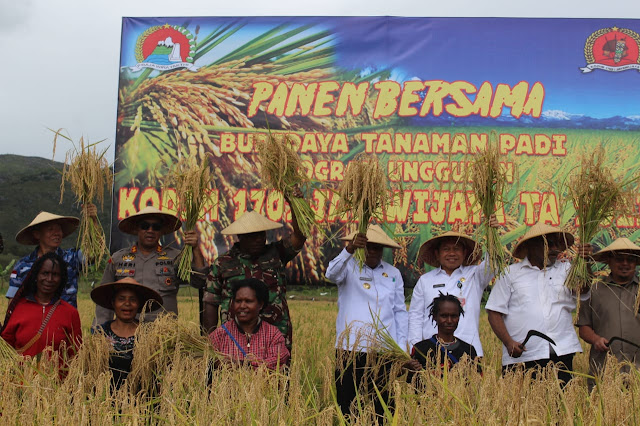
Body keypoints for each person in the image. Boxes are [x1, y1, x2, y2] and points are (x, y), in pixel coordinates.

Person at [486, 222, 591, 386]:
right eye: (548, 243)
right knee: (521, 407)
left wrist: (586, 263)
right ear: (530, 246)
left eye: (557, 244)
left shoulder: (567, 270)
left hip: (561, 352)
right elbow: (494, 312)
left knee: (562, 407)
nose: (555, 248)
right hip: (523, 354)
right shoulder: (511, 274)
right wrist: (508, 342)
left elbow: (583, 291)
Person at [202, 188, 306, 351]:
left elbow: (300, 237)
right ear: (240, 237)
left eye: (261, 234)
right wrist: (209, 343)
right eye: (252, 235)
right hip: (234, 341)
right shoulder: (222, 264)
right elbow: (210, 302)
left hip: (276, 338)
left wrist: (295, 205)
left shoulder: (277, 253)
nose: (259, 239)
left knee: (276, 375)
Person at [326, 224, 407, 420]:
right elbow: (330, 274)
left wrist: (401, 348)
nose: (372, 251)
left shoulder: (393, 274)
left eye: (377, 247)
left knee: (383, 407)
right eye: (367, 246)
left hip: (384, 351)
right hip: (350, 349)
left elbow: (399, 311)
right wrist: (350, 250)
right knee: (348, 406)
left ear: (383, 250)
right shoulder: (348, 267)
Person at [93, 206, 205, 325]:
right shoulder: (118, 259)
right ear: (137, 229)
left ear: (161, 231)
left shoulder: (175, 257)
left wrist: (196, 249)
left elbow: (200, 281)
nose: (150, 230)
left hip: (164, 332)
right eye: (145, 226)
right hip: (129, 333)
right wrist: (100, 330)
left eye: (156, 227)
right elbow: (104, 299)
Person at [408, 216, 499, 358]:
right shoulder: (425, 280)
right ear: (437, 254)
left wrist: (493, 233)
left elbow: (493, 261)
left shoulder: (475, 275)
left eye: (456, 249)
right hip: (432, 352)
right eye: (446, 249)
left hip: (468, 351)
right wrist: (417, 349)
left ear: (464, 253)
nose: (451, 253)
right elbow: (415, 317)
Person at [1, 252, 82, 377]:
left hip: (56, 388)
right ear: (36, 275)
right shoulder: (18, 308)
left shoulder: (70, 313)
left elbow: (75, 354)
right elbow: (6, 347)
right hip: (20, 385)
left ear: (62, 279)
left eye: (55, 275)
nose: (49, 279)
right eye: (45, 273)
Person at [577, 238, 640, 387]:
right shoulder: (594, 291)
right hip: (604, 370)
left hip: (637, 370)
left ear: (636, 263)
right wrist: (596, 339)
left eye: (630, 260)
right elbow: (584, 329)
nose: (625, 264)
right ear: (609, 261)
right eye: (619, 259)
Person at [7, 208, 98, 307]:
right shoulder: (22, 265)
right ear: (37, 234)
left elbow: (93, 254)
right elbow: (13, 301)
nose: (57, 233)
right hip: (36, 321)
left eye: (59, 229)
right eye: (50, 229)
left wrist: (93, 221)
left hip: (65, 319)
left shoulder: (71, 258)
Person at [91, 277, 164, 389]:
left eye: (133, 300)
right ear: (113, 303)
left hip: (144, 400)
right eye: (121, 299)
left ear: (139, 305)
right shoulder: (100, 333)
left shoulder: (150, 333)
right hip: (107, 400)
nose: (127, 303)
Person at [209, 278, 290, 370]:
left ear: (260, 305)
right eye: (238, 301)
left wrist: (243, 364)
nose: (242, 306)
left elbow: (277, 361)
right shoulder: (220, 334)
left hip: (261, 384)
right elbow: (206, 360)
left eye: (248, 301)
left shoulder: (272, 335)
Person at [406, 293, 480, 374]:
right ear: (435, 316)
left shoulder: (468, 350)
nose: (449, 321)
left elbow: (477, 382)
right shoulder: (421, 349)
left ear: (459, 317)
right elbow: (412, 384)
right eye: (444, 316)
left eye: (454, 316)